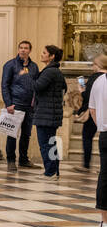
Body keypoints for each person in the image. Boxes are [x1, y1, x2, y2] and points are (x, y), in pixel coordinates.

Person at [0, 40, 39, 168]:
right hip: (15, 104)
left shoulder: (34, 66)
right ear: (18, 50)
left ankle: (23, 159)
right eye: (21, 48)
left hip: (29, 105)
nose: (23, 50)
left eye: (26, 48)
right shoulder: (10, 65)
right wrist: (8, 103)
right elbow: (4, 86)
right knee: (12, 133)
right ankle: (11, 160)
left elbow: (36, 85)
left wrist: (35, 104)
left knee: (26, 134)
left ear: (30, 50)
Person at [32, 44, 67, 180]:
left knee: (45, 144)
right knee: (51, 143)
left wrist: (28, 76)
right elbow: (64, 88)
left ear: (52, 57)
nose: (41, 54)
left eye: (44, 53)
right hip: (51, 113)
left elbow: (37, 87)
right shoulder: (56, 71)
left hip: (46, 114)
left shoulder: (50, 71)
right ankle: (54, 171)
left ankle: (50, 172)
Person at [72, 54, 107, 171]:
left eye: (94, 64)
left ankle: (87, 165)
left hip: (96, 113)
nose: (92, 67)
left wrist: (82, 90)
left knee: (87, 138)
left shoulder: (96, 78)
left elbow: (89, 98)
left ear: (98, 65)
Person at [88, 63, 107, 227]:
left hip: (104, 134)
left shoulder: (99, 81)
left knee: (105, 175)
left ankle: (104, 221)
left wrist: (101, 126)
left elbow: (92, 110)